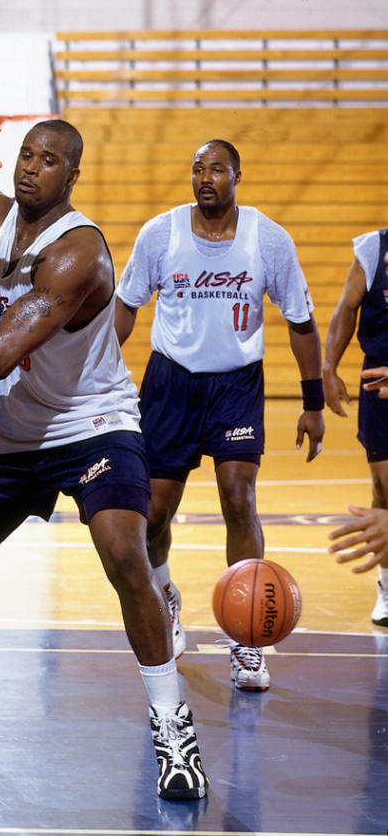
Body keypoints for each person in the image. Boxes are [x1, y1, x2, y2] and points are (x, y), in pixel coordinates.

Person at [0, 105, 208, 802]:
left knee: (124, 553)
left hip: (91, 426)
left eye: (48, 160)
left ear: (72, 175)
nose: (31, 167)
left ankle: (172, 725)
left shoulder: (76, 251)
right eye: (27, 154)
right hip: (9, 435)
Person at [115, 139, 325, 692]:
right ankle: (166, 601)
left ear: (238, 176)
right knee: (154, 516)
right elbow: (126, 306)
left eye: (217, 169)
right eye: (196, 169)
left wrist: (313, 403)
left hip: (235, 385)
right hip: (170, 384)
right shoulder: (161, 233)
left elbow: (301, 322)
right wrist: (97, 377)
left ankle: (247, 641)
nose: (205, 177)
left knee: (240, 498)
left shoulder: (268, 239)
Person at [323, 235, 388, 619]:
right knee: (383, 486)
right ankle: (386, 582)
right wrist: (329, 368)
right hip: (377, 382)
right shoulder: (372, 248)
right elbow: (347, 308)